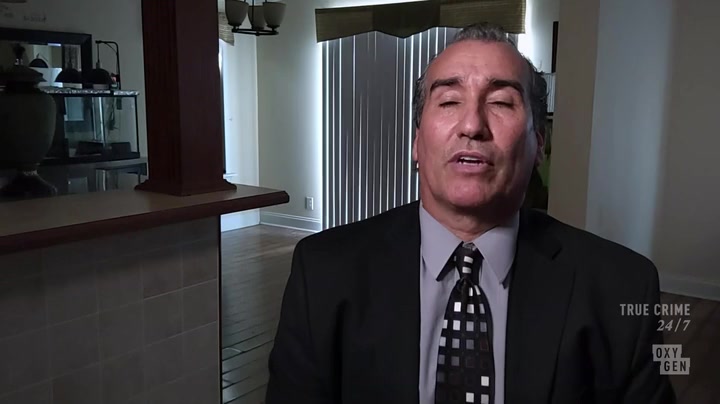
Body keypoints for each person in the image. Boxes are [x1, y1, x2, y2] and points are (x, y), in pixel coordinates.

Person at [265, 23, 676, 404]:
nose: (472, 125)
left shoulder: (623, 287)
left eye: (500, 102)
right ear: (416, 142)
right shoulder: (323, 272)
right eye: (449, 101)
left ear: (539, 144)